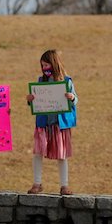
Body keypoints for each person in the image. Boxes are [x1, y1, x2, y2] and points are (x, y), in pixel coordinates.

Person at [26, 49, 77, 196]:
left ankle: (64, 185)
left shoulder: (67, 81)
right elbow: (36, 102)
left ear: (54, 64)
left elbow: (76, 100)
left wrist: (71, 97)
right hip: (43, 124)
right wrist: (30, 100)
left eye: (47, 65)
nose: (44, 69)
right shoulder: (41, 81)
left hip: (59, 125)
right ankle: (37, 183)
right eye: (42, 66)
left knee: (62, 155)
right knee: (38, 152)